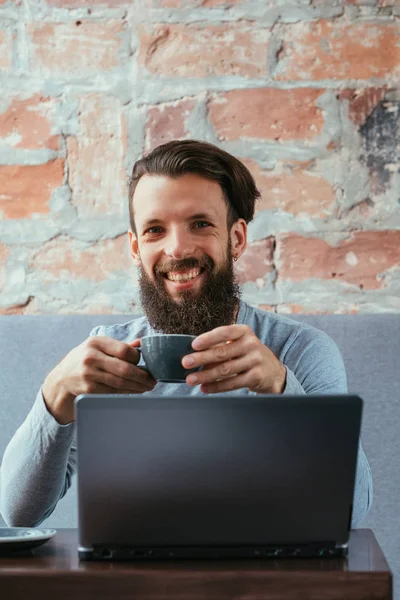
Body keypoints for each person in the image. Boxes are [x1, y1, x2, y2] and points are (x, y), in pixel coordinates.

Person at [0, 139, 372, 528]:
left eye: (200, 224)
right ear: (135, 248)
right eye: (155, 230)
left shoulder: (299, 350)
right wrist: (56, 391)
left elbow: (352, 512)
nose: (177, 249)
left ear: (237, 238)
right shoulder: (108, 356)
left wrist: (281, 387)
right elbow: (19, 513)